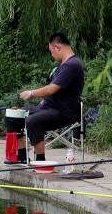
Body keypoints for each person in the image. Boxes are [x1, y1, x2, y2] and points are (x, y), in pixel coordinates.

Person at [15, 32, 84, 162]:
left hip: (64, 112)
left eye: (51, 51)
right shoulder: (63, 65)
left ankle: (40, 161)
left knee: (32, 121)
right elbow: (59, 90)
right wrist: (43, 101)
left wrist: (31, 93)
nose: (52, 55)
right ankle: (22, 157)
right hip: (49, 108)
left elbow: (52, 88)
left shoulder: (72, 65)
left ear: (57, 47)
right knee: (14, 116)